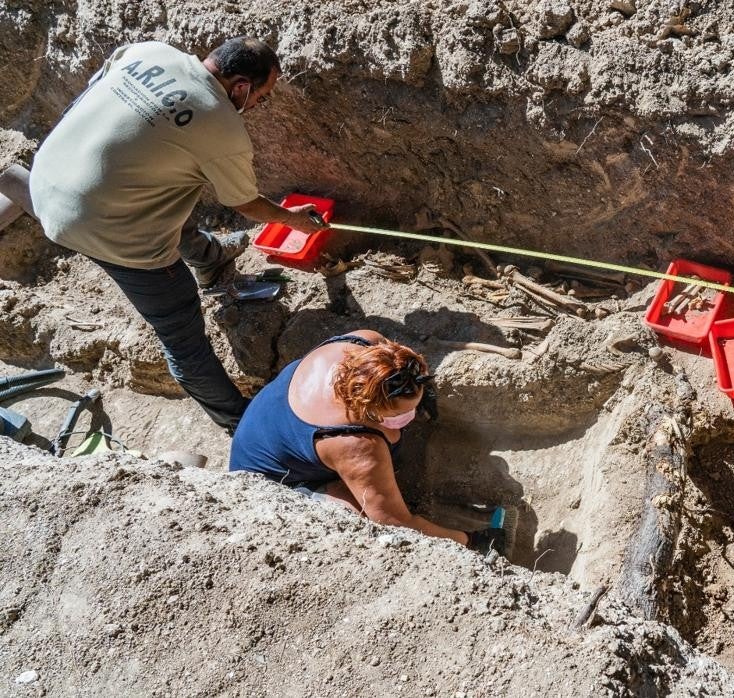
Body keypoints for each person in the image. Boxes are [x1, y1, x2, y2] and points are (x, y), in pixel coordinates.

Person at [26, 37, 323, 431]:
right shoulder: (222, 126)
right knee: (182, 333)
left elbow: (87, 101)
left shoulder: (148, 52)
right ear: (240, 86)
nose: (257, 107)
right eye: (261, 97)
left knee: (167, 182)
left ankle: (211, 259)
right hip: (95, 223)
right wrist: (292, 219)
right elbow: (245, 203)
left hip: (47, 177)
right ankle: (241, 421)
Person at [229, 330, 504, 551]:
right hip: (272, 488)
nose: (410, 416)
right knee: (364, 530)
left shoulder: (362, 342)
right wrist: (471, 542)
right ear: (368, 410)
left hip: (268, 431)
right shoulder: (354, 443)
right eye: (400, 414)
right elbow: (394, 522)